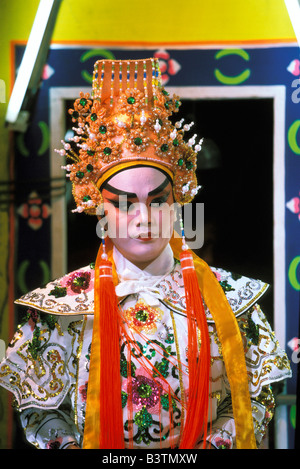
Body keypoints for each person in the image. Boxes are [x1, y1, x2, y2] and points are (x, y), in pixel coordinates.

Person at [0, 58, 291, 450]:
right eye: (124, 203)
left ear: (177, 202)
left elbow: (253, 401)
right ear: (100, 207)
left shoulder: (230, 301)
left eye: (158, 200)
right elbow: (42, 412)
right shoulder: (62, 307)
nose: (144, 219)